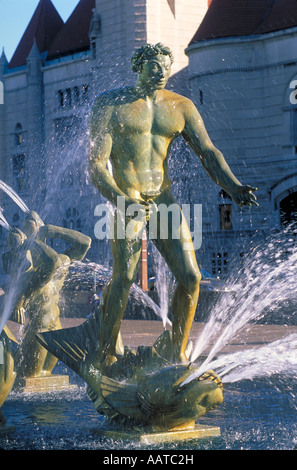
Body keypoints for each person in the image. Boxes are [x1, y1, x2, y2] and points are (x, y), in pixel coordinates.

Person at [89, 43, 258, 366]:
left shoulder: (180, 107)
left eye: (166, 67)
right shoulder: (110, 104)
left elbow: (208, 152)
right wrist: (122, 200)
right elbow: (95, 165)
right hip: (128, 199)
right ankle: (106, 351)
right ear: (138, 66)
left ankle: (175, 351)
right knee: (123, 277)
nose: (161, 73)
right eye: (154, 67)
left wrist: (233, 186)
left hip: (163, 199)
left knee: (191, 277)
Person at [3, 211, 91, 378]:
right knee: (29, 378)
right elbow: (51, 262)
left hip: (56, 329)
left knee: (46, 376)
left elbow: (85, 243)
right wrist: (33, 242)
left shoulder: (61, 260)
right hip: (39, 332)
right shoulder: (27, 271)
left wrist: (53, 230)